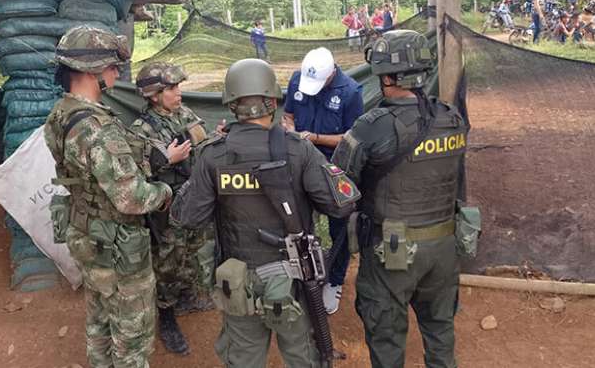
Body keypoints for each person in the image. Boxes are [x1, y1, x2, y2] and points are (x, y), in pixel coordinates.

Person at [170, 58, 361, 368]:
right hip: (293, 280)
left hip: (238, 279)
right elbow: (342, 202)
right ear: (273, 100)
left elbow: (187, 217)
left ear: (231, 104)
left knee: (243, 358)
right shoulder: (298, 149)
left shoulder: (214, 154)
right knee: (302, 355)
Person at [332, 29, 470, 368]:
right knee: (440, 331)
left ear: (390, 77)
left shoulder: (371, 126)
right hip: (444, 246)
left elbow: (337, 188)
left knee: (387, 336)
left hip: (391, 253)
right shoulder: (451, 118)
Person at [45, 26, 173, 368]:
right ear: (91, 71)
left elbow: (88, 173)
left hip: (85, 231)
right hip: (116, 243)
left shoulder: (61, 114)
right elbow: (132, 198)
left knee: (100, 316)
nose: (118, 73)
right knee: (132, 332)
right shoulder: (96, 127)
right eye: (112, 66)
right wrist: (165, 192)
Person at [130, 62, 213, 355]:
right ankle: (166, 315)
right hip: (166, 207)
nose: (179, 93)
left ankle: (188, 296)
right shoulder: (142, 129)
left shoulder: (184, 114)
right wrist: (167, 158)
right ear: (154, 95)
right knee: (168, 261)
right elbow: (133, 176)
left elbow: (202, 144)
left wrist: (217, 138)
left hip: (193, 200)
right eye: (172, 88)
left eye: (178, 87)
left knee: (192, 249)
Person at [282, 47, 363, 314]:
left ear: (331, 75)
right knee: (300, 223)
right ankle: (306, 277)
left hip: (334, 167)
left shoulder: (350, 91)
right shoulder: (298, 79)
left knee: (339, 225)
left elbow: (352, 137)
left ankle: (335, 281)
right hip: (300, 165)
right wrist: (292, 131)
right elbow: (288, 115)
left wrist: (313, 138)